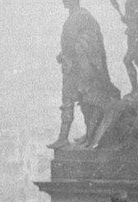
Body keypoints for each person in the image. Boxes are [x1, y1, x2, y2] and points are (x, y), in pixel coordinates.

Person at [48, 0, 121, 150]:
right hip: (75, 66)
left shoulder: (80, 16)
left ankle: (73, 136)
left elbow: (79, 43)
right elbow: (70, 43)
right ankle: (84, 135)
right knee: (78, 101)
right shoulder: (78, 16)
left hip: (79, 68)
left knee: (76, 101)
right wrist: (64, 54)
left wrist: (67, 55)